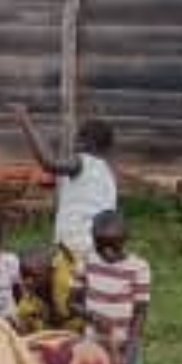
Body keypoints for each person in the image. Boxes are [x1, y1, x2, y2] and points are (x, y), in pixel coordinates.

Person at [15, 109, 117, 317]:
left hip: (73, 247)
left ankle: (38, 321)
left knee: (44, 285)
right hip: (97, 248)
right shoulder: (108, 174)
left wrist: (25, 122)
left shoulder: (81, 161)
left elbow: (48, 163)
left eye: (77, 139)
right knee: (81, 301)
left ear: (83, 142)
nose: (73, 144)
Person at [78, 212, 151, 364]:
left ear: (126, 239)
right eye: (101, 246)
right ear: (93, 240)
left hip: (124, 343)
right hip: (92, 342)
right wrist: (92, 316)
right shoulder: (87, 261)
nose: (107, 252)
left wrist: (130, 350)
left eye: (114, 246)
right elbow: (72, 302)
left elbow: (140, 312)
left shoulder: (139, 267)